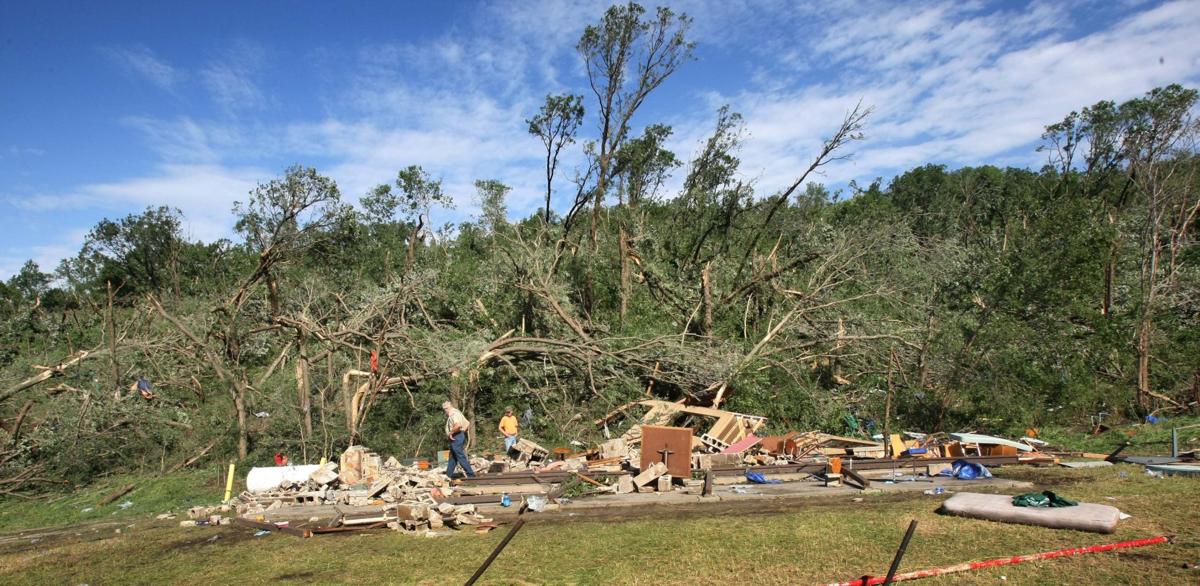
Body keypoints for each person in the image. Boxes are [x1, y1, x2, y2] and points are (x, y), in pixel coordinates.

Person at [442, 401, 475, 478]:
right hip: (459, 435)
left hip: (456, 436)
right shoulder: (458, 412)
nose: (445, 412)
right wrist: (463, 431)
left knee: (460, 456)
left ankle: (470, 474)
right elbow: (467, 423)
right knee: (453, 458)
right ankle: (448, 476)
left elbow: (458, 425)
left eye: (445, 410)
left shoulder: (453, 414)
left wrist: (451, 433)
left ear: (446, 408)